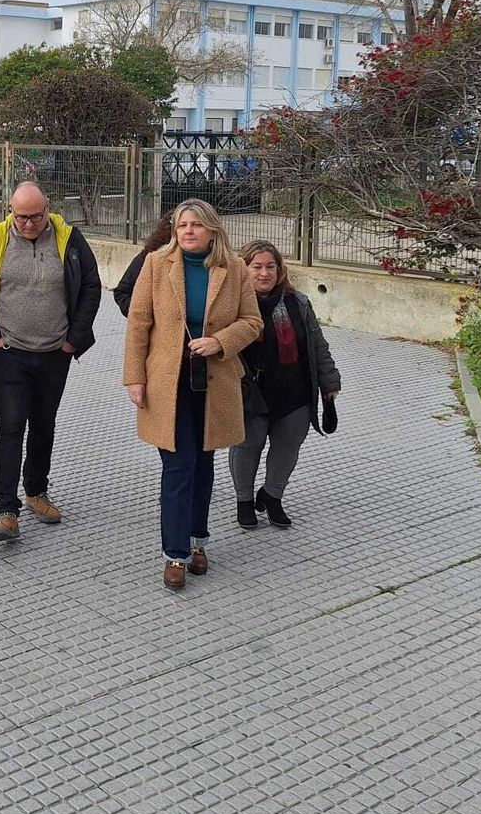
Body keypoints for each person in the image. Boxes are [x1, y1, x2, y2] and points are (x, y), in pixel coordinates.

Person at [122, 200, 263, 590]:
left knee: (203, 466)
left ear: (212, 230)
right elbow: (138, 323)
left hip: (214, 380)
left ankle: (199, 541)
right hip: (168, 383)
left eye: (196, 225)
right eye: (181, 225)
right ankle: (175, 554)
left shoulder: (233, 268)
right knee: (178, 466)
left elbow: (252, 322)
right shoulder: (156, 264)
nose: (187, 231)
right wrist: (134, 377)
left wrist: (219, 341)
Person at [0, 181, 101, 542]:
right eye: (19, 216)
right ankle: (5, 510)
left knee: (43, 424)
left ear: (47, 208)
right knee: (9, 428)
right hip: (9, 354)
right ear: (11, 211)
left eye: (34, 216)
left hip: (56, 353)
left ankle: (36, 491)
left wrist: (74, 339)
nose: (26, 224)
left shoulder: (69, 239)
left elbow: (91, 287)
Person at [232, 239, 342, 530]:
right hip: (250, 394)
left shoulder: (299, 303)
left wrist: (330, 383)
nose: (264, 273)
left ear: (280, 270)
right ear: (244, 269)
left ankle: (271, 495)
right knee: (247, 445)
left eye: (271, 266)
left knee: (287, 448)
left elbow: (318, 346)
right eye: (256, 267)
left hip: (294, 392)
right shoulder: (231, 304)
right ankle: (244, 501)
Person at [112, 214, 175, 317]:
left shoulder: (207, 261)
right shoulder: (149, 257)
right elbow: (122, 292)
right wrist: (142, 317)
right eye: (183, 226)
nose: (189, 231)